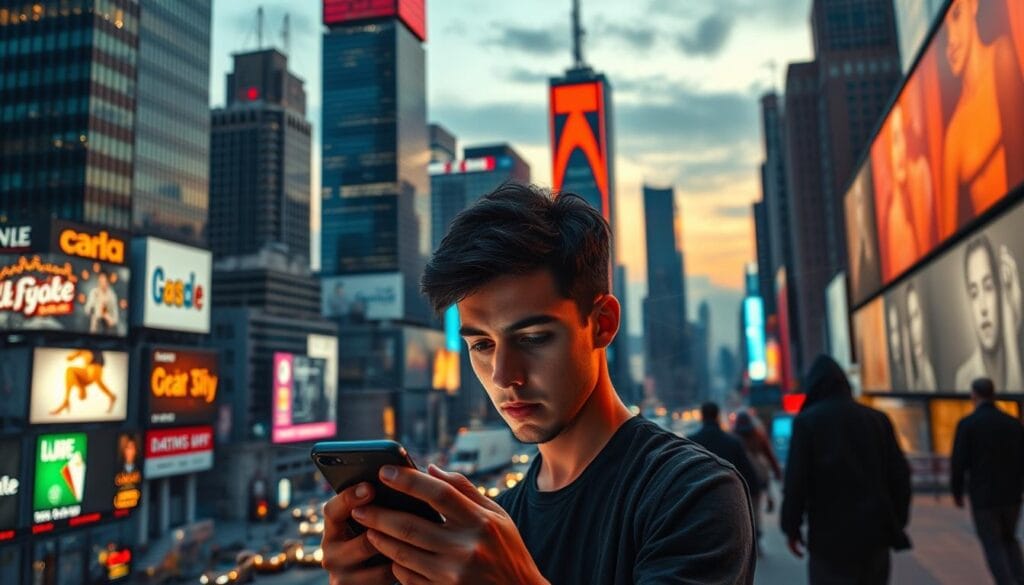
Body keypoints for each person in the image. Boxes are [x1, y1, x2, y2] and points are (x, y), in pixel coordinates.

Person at [320, 184, 755, 584]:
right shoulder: (494, 525)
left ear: (601, 324)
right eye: (482, 345)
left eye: (531, 338)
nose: (503, 375)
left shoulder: (692, 494)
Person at [782, 355, 912, 585]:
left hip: (828, 538)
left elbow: (796, 483)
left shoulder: (807, 423)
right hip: (875, 534)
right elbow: (900, 476)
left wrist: (791, 528)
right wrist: (896, 520)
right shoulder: (877, 420)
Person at [940, 0, 1024, 238]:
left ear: (973, 6)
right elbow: (948, 240)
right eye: (944, 32)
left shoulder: (1003, 56)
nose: (950, 42)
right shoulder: (953, 133)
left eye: (956, 16)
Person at [952, 377, 1024, 584]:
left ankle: (1005, 581)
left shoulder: (968, 424)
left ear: (974, 395)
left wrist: (957, 493)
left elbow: (959, 462)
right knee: (1009, 539)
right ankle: (1018, 578)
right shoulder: (1012, 423)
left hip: (983, 495)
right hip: (1011, 494)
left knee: (992, 543)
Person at [954, 235, 1023, 391]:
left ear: (1000, 292)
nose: (982, 308)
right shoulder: (963, 379)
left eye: (988, 287)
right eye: (974, 293)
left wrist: (1012, 332)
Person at [732, 411, 783, 556]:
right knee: (755, 512)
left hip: (739, 481)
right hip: (757, 479)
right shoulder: (759, 435)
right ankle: (755, 540)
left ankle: (745, 542)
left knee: (741, 512)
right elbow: (770, 456)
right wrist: (777, 473)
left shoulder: (734, 438)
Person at [52, 349, 117, 415]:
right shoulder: (88, 377)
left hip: (90, 368)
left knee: (70, 370)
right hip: (92, 368)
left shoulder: (77, 381)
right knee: (72, 371)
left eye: (80, 395)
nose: (80, 394)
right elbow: (100, 382)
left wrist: (75, 355)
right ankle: (66, 401)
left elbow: (70, 358)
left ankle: (66, 401)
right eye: (82, 395)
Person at [904, 283, 938, 392]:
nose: (914, 329)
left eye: (916, 315)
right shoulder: (910, 377)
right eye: (910, 320)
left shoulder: (929, 374)